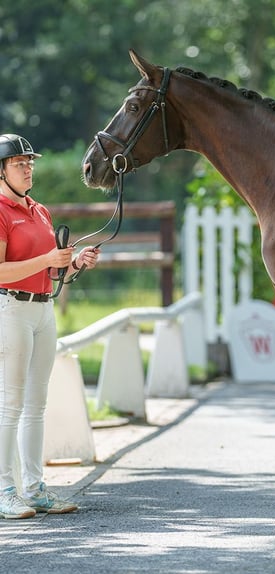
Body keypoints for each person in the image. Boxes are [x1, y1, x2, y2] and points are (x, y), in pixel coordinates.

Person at [0, 134, 100, 519]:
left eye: (30, 163)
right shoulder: (1, 211)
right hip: (11, 309)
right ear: (2, 171)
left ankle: (34, 486)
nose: (28, 169)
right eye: (19, 164)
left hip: (43, 308)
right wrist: (47, 259)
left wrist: (74, 262)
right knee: (10, 404)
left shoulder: (39, 210)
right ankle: (6, 489)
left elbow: (53, 265)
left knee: (36, 405)